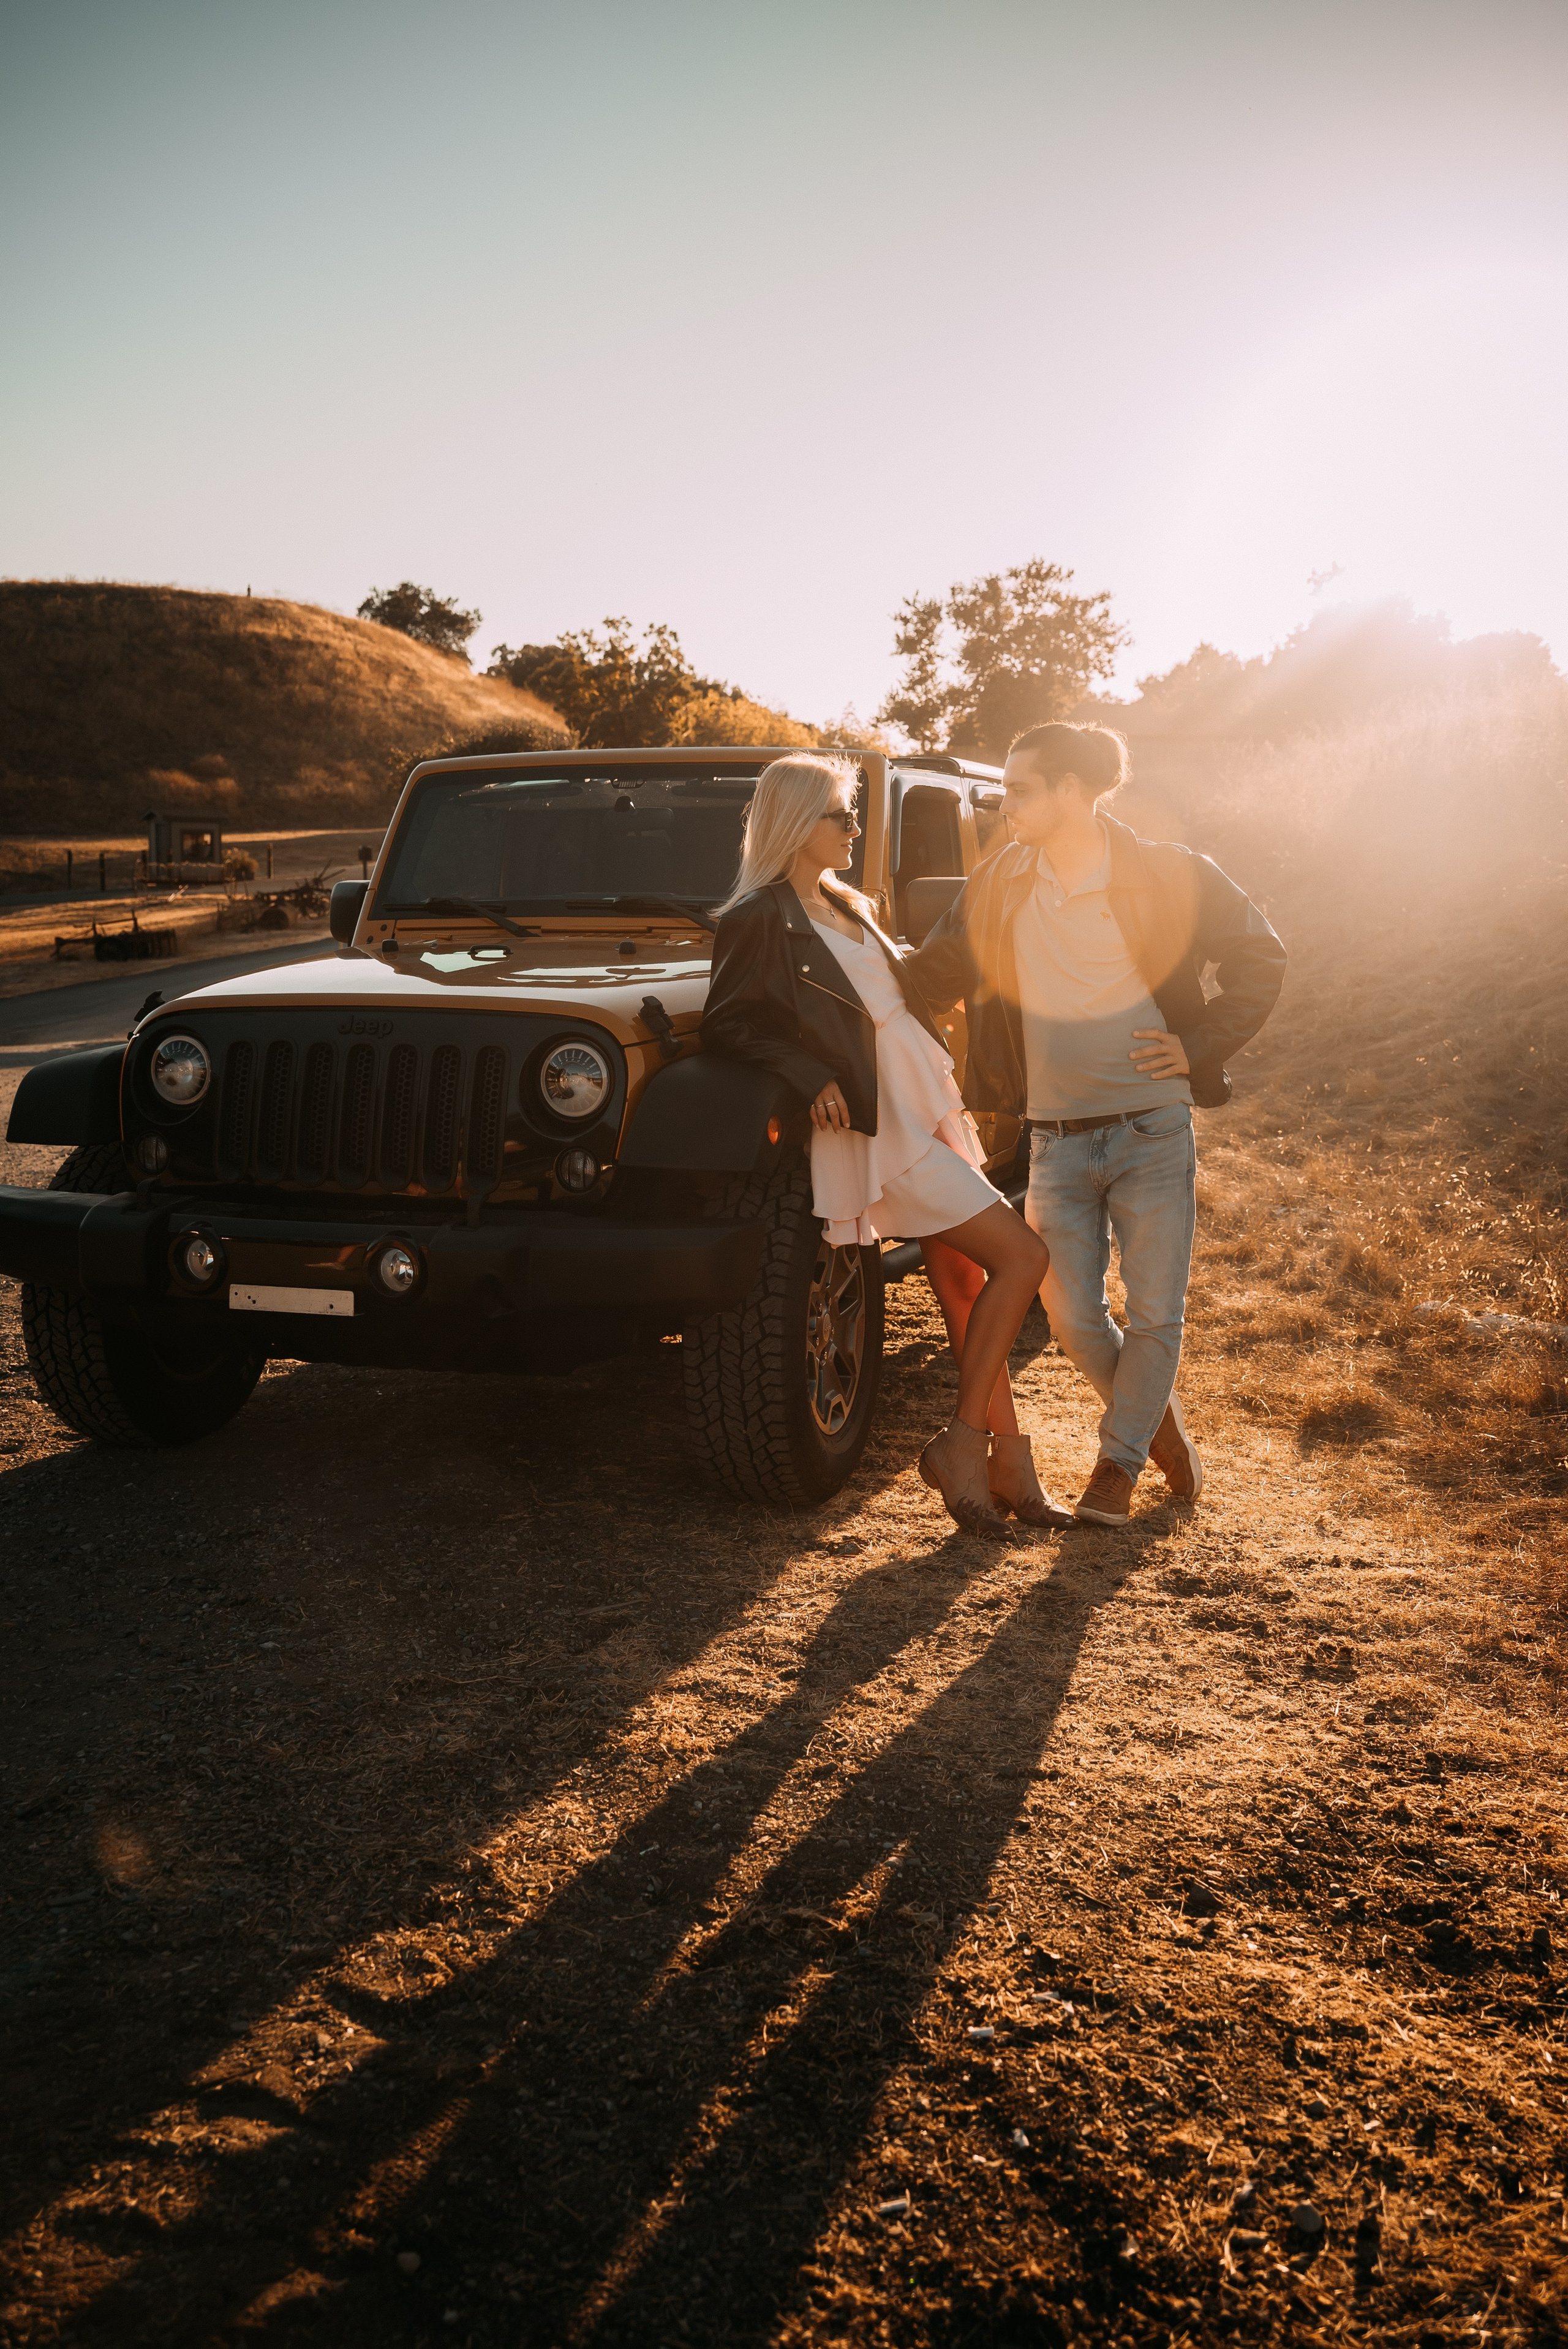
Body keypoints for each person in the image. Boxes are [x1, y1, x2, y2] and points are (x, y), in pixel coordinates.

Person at [908, 722, 1286, 1526]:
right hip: (1054, 1139)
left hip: (1152, 1127)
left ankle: (1117, 1463)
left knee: (1156, 1311)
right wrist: (834, 948)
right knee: (1075, 1317)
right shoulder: (999, 881)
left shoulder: (1169, 872)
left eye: (1020, 788)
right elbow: (929, 974)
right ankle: (1159, 1427)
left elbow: (1262, 955)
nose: (1003, 803)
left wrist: (1200, 1044)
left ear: (1075, 791)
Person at [702, 753, 1071, 1535]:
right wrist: (808, 1075)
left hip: (924, 1102)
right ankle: (962, 1448)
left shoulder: (847, 902)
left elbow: (906, 986)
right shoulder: (757, 917)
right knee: (1023, 1258)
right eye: (842, 815)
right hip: (880, 1130)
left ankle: (1011, 1467)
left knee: (967, 1283)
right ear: (798, 825)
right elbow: (729, 1024)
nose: (853, 828)